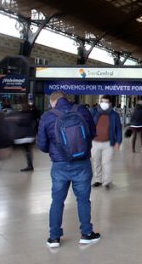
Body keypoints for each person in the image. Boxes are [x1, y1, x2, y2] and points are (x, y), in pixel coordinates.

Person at [37, 91, 100, 248]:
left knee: (57, 200)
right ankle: (86, 234)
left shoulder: (47, 116)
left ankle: (54, 237)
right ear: (66, 99)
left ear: (53, 102)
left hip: (59, 166)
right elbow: (92, 133)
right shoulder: (81, 110)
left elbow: (42, 145)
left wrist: (57, 149)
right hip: (82, 162)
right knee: (83, 199)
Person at [91, 95, 122, 189]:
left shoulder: (114, 115)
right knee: (96, 162)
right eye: (102, 101)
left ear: (110, 104)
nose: (104, 104)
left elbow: (118, 129)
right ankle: (98, 180)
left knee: (106, 163)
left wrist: (118, 142)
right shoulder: (94, 112)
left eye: (106, 102)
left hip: (108, 143)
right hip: (94, 143)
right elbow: (88, 126)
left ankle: (107, 182)